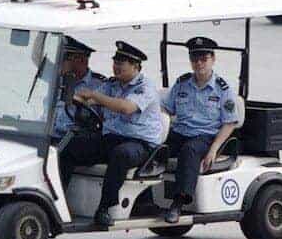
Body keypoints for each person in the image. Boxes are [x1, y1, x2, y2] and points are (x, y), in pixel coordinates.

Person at [61, 41, 164, 226]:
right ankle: (59, 201)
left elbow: (126, 107)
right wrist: (74, 96)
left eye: (121, 63)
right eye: (115, 62)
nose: (116, 67)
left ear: (135, 66)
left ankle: (105, 208)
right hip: (112, 138)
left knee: (121, 154)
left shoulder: (145, 87)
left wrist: (95, 96)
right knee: (71, 146)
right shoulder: (111, 84)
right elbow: (88, 99)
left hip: (141, 144)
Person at [161, 37, 239, 223]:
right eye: (195, 59)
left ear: (213, 59)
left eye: (204, 59)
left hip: (205, 136)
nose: (199, 63)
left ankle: (178, 203)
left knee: (190, 151)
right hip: (180, 132)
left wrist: (213, 149)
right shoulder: (182, 83)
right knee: (152, 148)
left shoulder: (222, 89)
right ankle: (146, 198)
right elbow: (166, 108)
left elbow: (230, 123)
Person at [53, 37, 106, 137]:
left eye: (65, 58)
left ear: (81, 61)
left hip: (73, 139)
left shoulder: (101, 85)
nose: (58, 62)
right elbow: (36, 57)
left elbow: (106, 121)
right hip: (46, 134)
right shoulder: (56, 78)